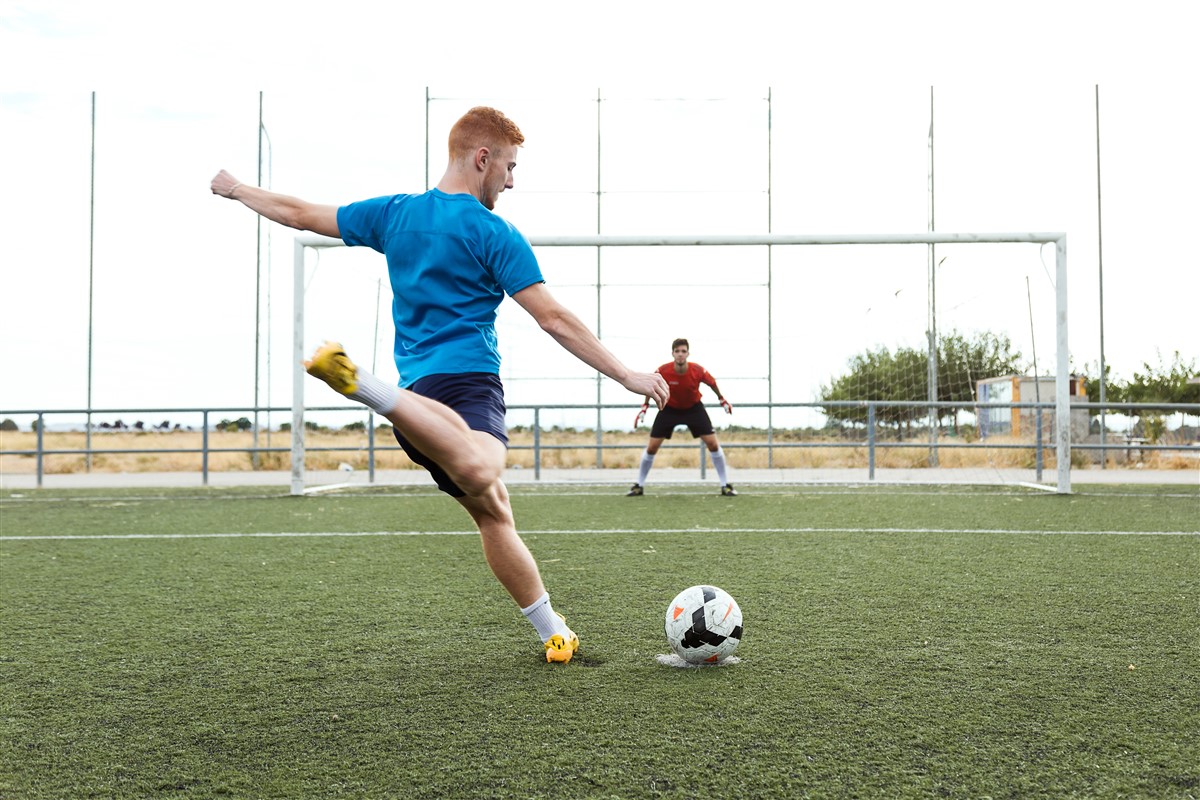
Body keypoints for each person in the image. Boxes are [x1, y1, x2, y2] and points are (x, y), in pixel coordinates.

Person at [211, 106, 668, 664]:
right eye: (509, 166)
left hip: (421, 408)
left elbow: (301, 213)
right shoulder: (492, 229)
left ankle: (554, 630)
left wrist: (236, 189)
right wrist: (627, 374)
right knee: (483, 469)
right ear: (483, 159)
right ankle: (369, 389)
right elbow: (552, 317)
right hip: (467, 388)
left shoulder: (396, 214)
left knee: (493, 510)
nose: (512, 180)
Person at [628, 338, 736, 497]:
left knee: (713, 445)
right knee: (651, 448)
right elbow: (650, 386)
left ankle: (725, 485)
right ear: (672, 353)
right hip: (669, 408)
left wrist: (722, 399)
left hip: (693, 408)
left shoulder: (697, 370)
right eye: (677, 351)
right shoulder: (662, 370)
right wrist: (644, 407)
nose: (680, 354)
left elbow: (712, 383)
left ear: (688, 354)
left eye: (683, 351)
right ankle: (639, 486)